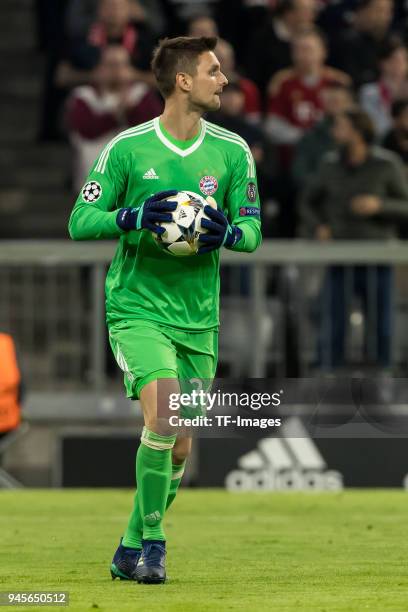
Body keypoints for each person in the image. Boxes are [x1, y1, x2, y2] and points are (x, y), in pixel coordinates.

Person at [68, 36, 261, 584]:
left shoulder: (232, 151)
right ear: (183, 80)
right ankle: (154, 545)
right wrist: (130, 218)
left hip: (198, 316)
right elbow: (80, 222)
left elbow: (252, 227)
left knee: (178, 445)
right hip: (138, 308)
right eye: (214, 71)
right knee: (163, 417)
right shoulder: (126, 148)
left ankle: (129, 542)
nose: (224, 80)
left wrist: (231, 231)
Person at [299, 109, 408, 369]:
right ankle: (328, 373)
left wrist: (379, 205)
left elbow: (405, 206)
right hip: (339, 253)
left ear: (357, 131)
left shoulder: (386, 164)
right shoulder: (329, 164)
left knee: (381, 321)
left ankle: (384, 374)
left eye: (341, 126)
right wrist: (318, 226)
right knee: (332, 318)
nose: (335, 132)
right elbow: (307, 201)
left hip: (377, 254)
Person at [66, 44, 162, 191]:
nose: (116, 71)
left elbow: (154, 129)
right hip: (94, 178)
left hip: (136, 180)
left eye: (121, 65)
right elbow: (87, 130)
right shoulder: (84, 96)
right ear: (99, 68)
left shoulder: (141, 94)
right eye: (111, 65)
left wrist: (130, 111)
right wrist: (116, 114)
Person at [244, 0, 317, 97]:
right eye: (306, 11)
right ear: (289, 13)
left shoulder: (315, 35)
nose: (312, 16)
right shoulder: (263, 38)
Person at [292, 83, 355, 188]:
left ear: (350, 103)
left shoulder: (363, 135)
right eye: (331, 102)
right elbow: (300, 173)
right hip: (322, 194)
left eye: (339, 102)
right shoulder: (310, 137)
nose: (336, 106)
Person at [329, 0, 395, 89]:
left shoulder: (391, 43)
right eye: (379, 10)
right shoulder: (344, 43)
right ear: (362, 11)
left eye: (388, 11)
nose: (385, 17)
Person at [359, 38, 408, 138]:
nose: (400, 64)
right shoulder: (369, 92)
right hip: (383, 140)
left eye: (404, 59)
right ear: (382, 63)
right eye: (395, 60)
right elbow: (373, 126)